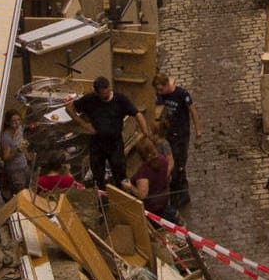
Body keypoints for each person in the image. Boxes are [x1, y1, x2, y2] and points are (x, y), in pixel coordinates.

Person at [70, 77, 147, 188]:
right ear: (96, 92)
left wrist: (145, 133)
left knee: (120, 173)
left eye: (107, 93)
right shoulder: (90, 99)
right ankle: (102, 198)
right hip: (97, 143)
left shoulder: (120, 100)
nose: (105, 97)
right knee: (98, 175)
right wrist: (84, 124)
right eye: (102, 95)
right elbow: (70, 108)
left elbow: (137, 114)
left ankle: (120, 195)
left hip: (115, 143)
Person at [153, 73, 198, 209]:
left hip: (181, 134)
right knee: (170, 162)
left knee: (179, 164)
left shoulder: (181, 94)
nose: (160, 93)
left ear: (167, 85)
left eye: (161, 89)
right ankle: (175, 193)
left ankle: (182, 194)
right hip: (170, 133)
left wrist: (198, 131)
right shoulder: (163, 95)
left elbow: (193, 111)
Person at [123, 138, 177, 220]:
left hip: (151, 208)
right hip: (164, 200)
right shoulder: (163, 159)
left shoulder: (144, 172)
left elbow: (142, 195)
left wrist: (130, 187)